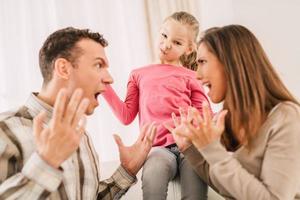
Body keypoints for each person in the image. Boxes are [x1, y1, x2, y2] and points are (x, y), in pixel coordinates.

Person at [0, 27, 157, 200]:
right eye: (98, 65)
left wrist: (127, 171)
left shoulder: (82, 138)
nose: (109, 78)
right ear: (63, 68)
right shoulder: (5, 129)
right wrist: (47, 163)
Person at [167, 25, 300, 199]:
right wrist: (190, 148)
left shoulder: (285, 117)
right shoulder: (228, 120)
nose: (197, 75)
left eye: (202, 62)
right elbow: (229, 186)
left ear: (231, 62)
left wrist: (211, 148)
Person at [102, 11, 210, 200]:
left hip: (190, 146)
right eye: (164, 35)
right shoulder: (138, 74)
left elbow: (204, 115)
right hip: (158, 149)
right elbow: (126, 116)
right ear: (159, 31)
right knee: (153, 178)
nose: (167, 44)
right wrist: (102, 85)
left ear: (189, 48)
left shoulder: (192, 76)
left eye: (177, 42)